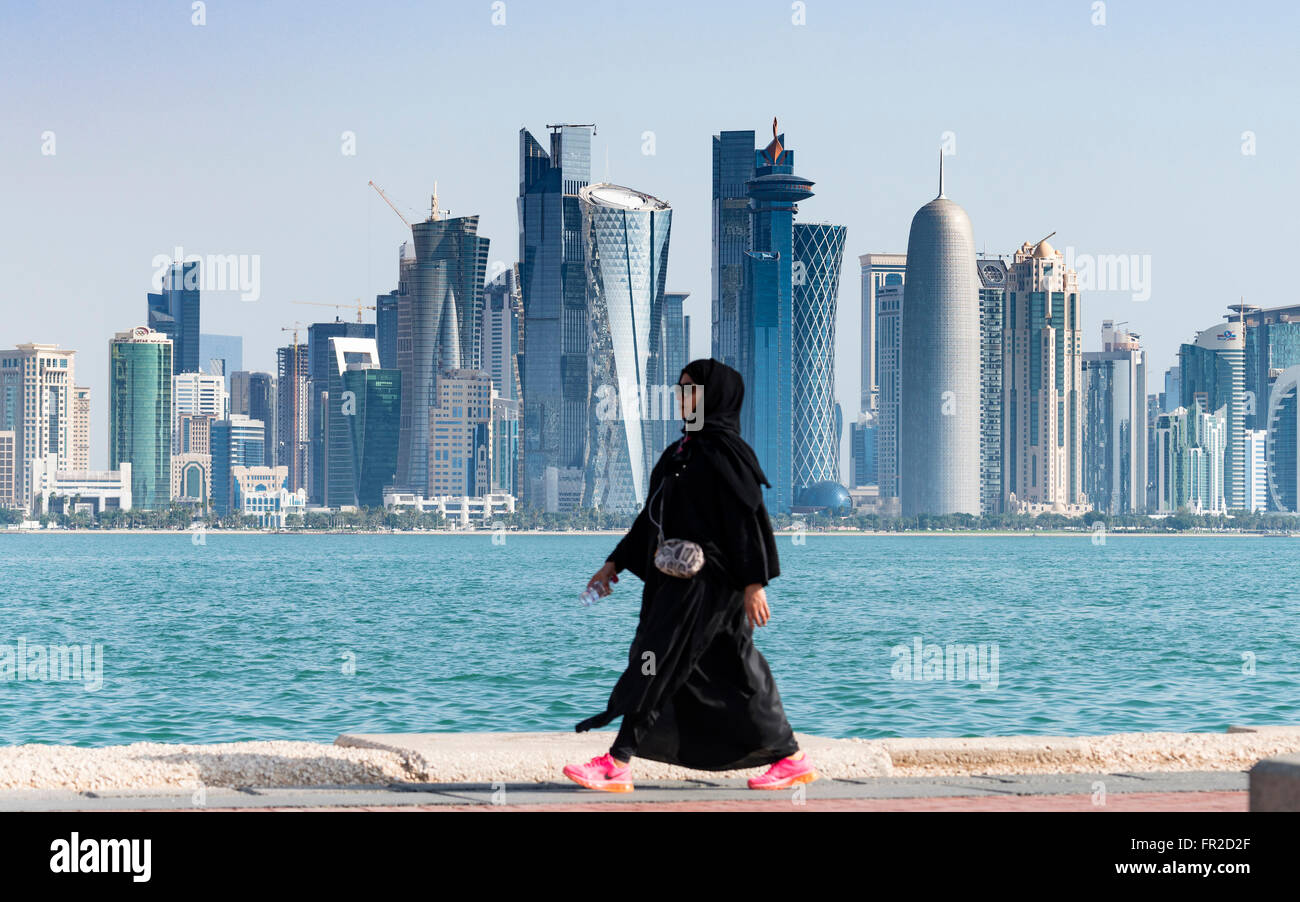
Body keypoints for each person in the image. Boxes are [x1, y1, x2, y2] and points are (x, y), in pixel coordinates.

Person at [563, 357, 817, 792]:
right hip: (677, 583)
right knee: (733, 667)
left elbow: (748, 521)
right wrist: (615, 562)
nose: (682, 398)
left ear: (715, 397)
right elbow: (652, 519)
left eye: (691, 389)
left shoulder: (726, 452)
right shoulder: (680, 452)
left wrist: (754, 584)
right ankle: (790, 757)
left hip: (712, 584)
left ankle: (617, 761)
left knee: (654, 661)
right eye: (679, 389)